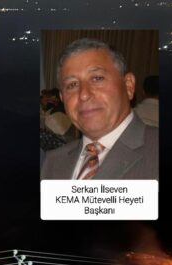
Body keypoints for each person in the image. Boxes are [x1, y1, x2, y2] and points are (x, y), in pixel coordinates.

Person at [41, 38, 158, 180]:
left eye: (97, 78)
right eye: (72, 85)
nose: (84, 94)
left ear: (128, 86)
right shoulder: (53, 162)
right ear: (62, 98)